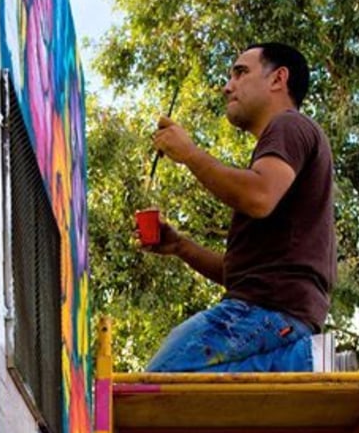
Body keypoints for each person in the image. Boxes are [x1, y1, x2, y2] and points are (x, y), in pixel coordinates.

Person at [144, 42, 336, 373]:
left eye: (240, 72)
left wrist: (190, 154)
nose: (227, 86)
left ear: (278, 79)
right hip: (278, 317)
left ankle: (302, 359)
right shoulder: (284, 150)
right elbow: (244, 275)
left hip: (263, 314)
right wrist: (180, 246)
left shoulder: (289, 125)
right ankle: (306, 360)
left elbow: (258, 197)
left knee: (150, 389)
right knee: (196, 397)